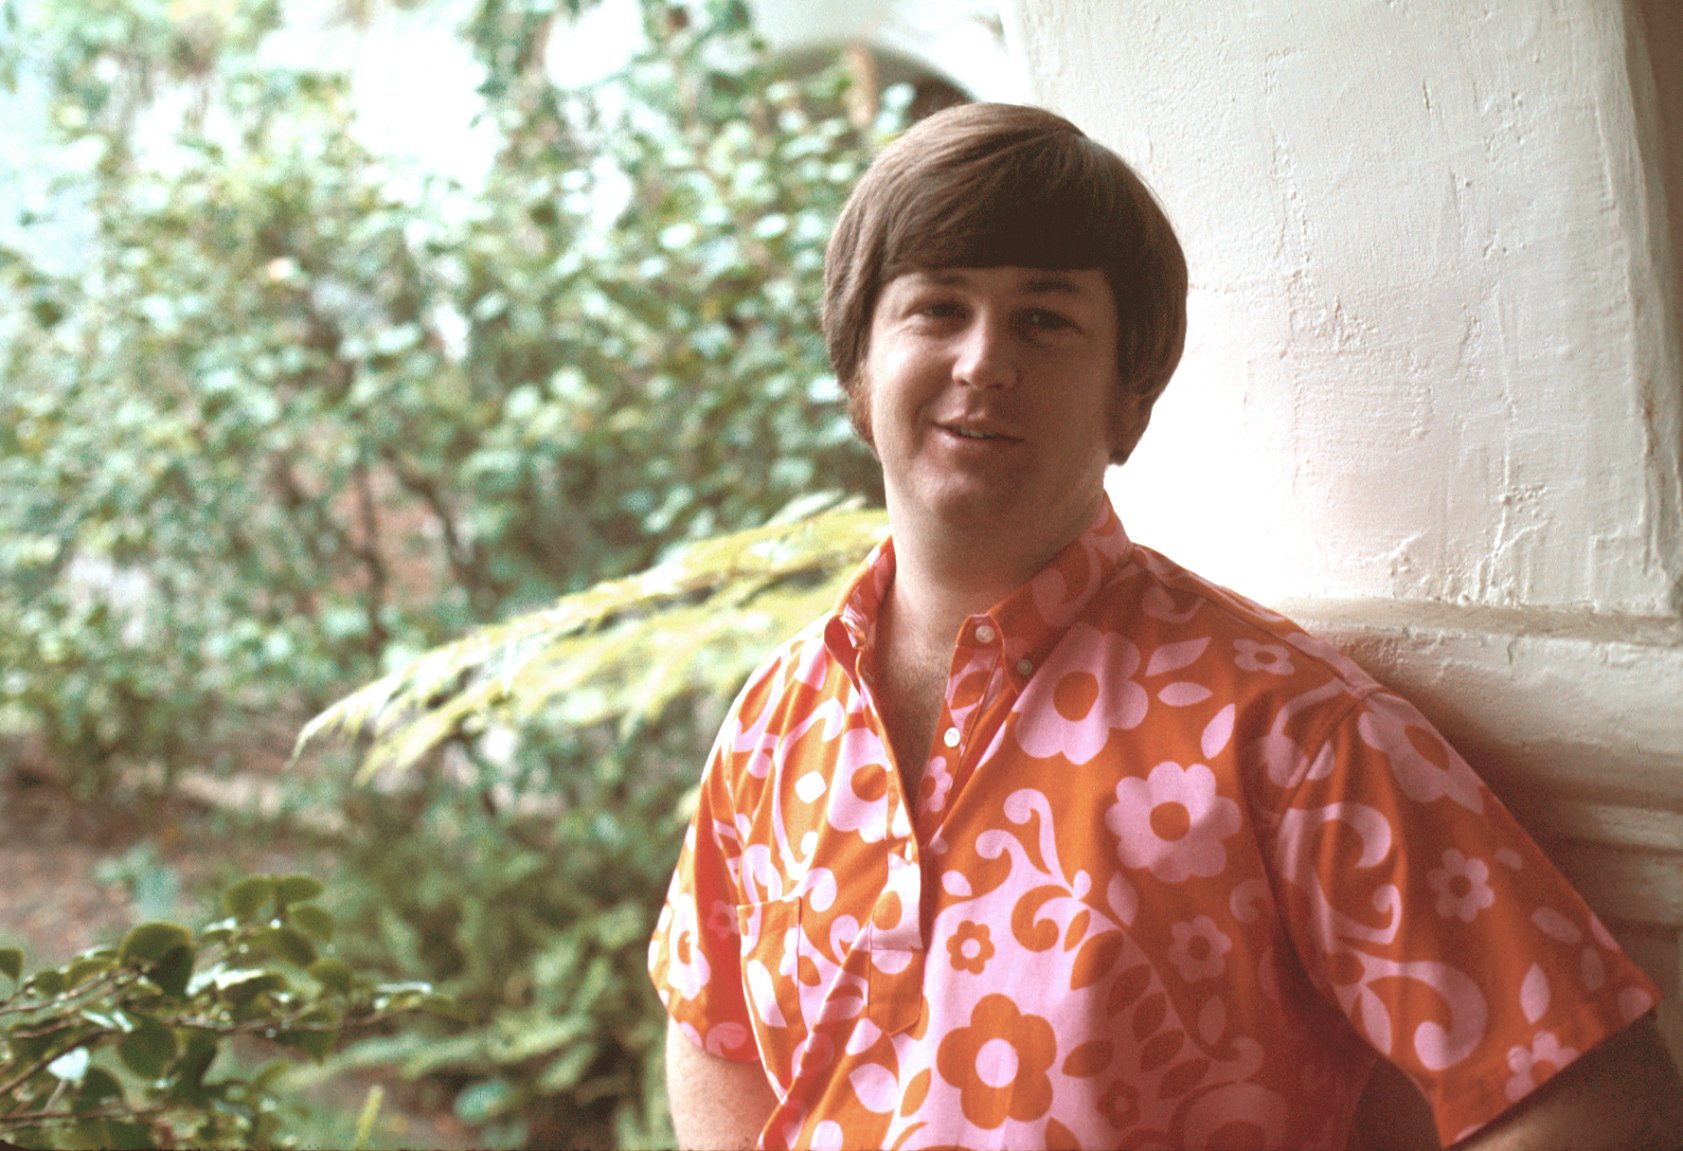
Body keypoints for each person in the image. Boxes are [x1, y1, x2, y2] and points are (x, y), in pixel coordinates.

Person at [647, 102, 1683, 1150]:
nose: (983, 360)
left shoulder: (1289, 731)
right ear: (859, 371)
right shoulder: (774, 725)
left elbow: (1587, 1083)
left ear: (1129, 399)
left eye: (1046, 319)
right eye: (937, 308)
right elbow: (714, 1031)